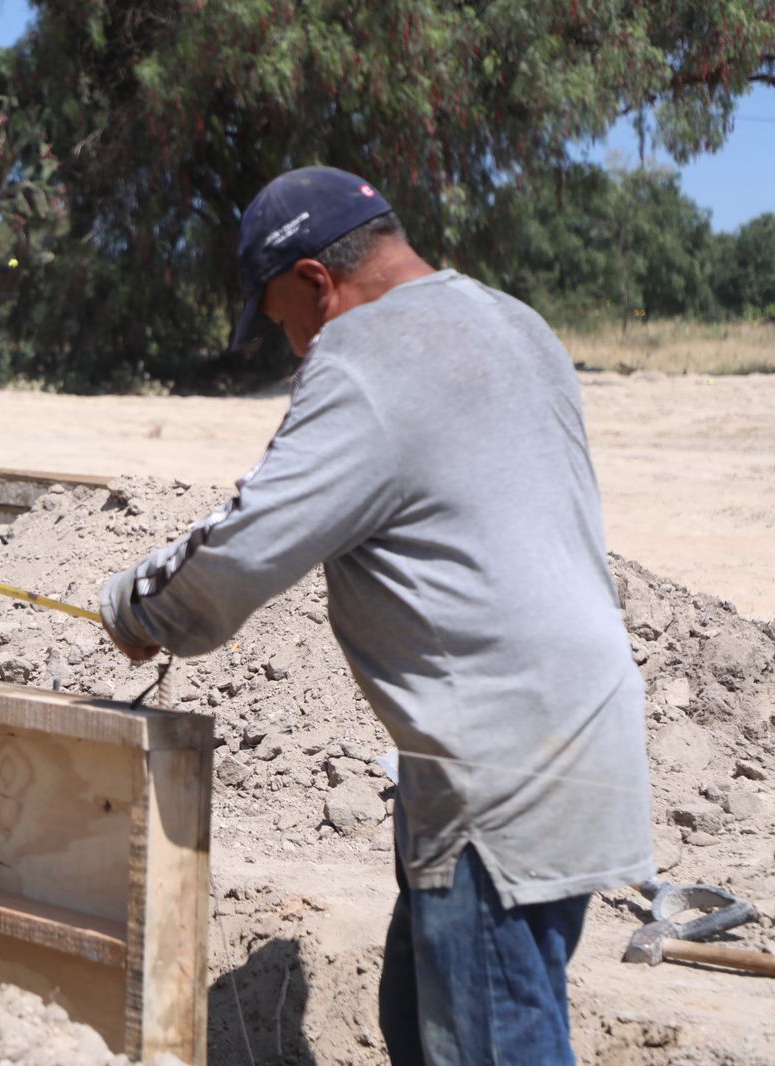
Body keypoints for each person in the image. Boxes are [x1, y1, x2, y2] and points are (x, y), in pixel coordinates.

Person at [99, 168, 652, 1065]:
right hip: (586, 736)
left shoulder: (362, 360)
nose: (292, 347)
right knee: (413, 1012)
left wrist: (136, 606)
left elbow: (244, 547)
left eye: (282, 318)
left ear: (318, 283)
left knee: (487, 1042)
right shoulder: (514, 322)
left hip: (494, 771)